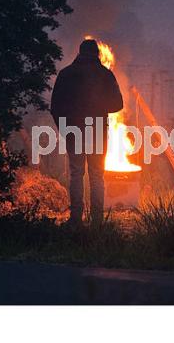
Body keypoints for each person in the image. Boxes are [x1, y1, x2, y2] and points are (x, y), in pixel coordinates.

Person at [51, 39, 123, 228]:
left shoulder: (66, 74)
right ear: (97, 54)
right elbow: (118, 104)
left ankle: (75, 219)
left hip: (74, 131)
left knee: (76, 174)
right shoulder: (105, 75)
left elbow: (55, 106)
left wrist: (65, 129)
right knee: (97, 175)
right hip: (98, 131)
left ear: (79, 52)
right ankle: (97, 221)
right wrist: (99, 106)